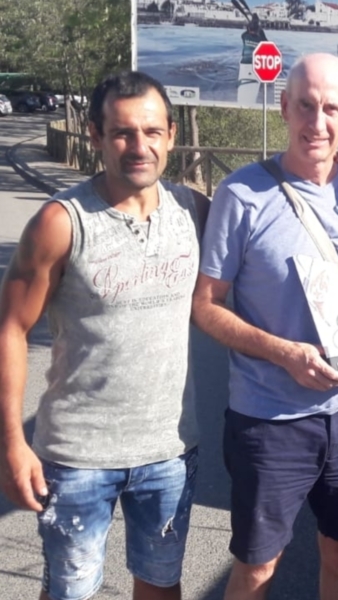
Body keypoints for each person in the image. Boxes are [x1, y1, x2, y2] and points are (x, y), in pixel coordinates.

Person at [0, 71, 209, 600]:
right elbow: (12, 329)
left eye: (152, 131)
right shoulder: (61, 222)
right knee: (70, 593)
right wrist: (12, 445)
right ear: (94, 134)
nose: (139, 146)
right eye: (122, 132)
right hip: (77, 457)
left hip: (169, 450)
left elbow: (268, 222)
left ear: (171, 134)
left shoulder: (195, 212)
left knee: (161, 586)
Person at [191, 53, 338, 600]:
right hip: (269, 418)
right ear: (283, 106)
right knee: (258, 566)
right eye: (305, 105)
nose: (316, 123)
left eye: (330, 108)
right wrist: (282, 353)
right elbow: (205, 305)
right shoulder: (241, 193)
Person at [237, 13, 268, 105]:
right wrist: (260, 29)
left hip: (244, 64)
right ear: (257, 29)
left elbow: (244, 33)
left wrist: (251, 24)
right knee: (253, 88)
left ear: (249, 28)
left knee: (243, 86)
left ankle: (241, 101)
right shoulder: (260, 39)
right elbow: (267, 43)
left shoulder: (245, 36)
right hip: (256, 65)